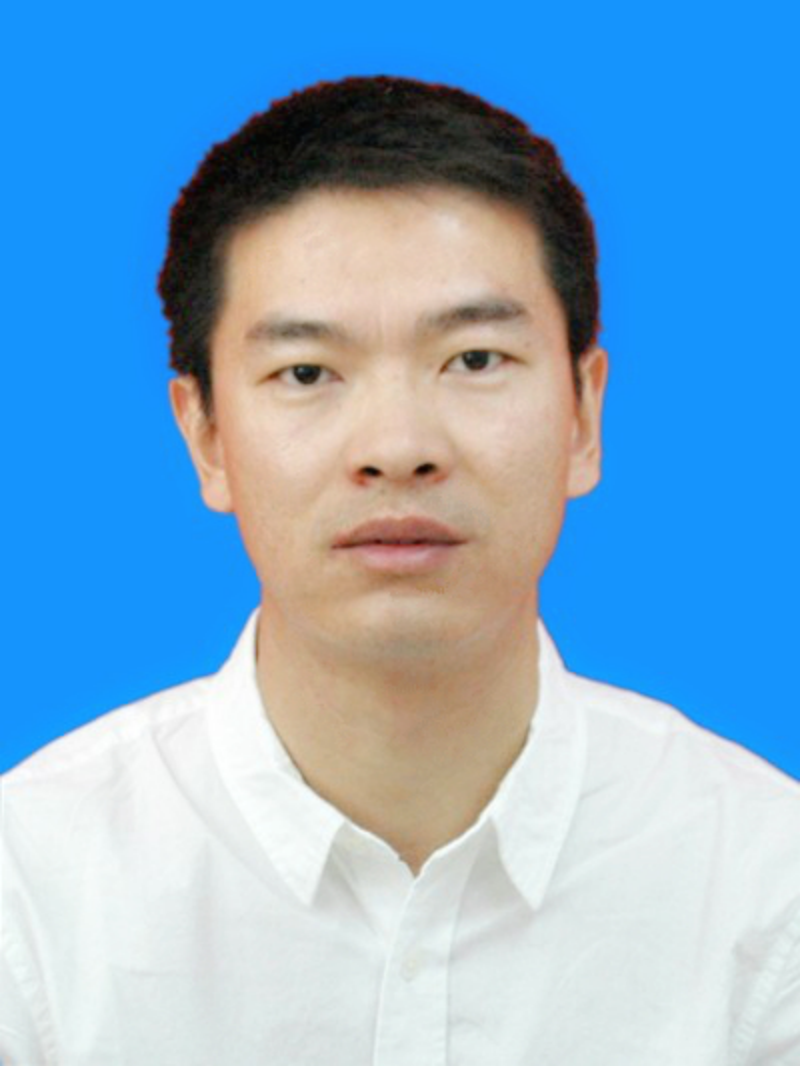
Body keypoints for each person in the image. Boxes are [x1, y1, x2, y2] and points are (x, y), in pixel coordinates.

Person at [1, 75, 798, 1065]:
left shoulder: (763, 888)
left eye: (474, 359)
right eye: (306, 372)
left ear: (583, 415)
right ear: (205, 436)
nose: (397, 448)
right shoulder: (31, 895)